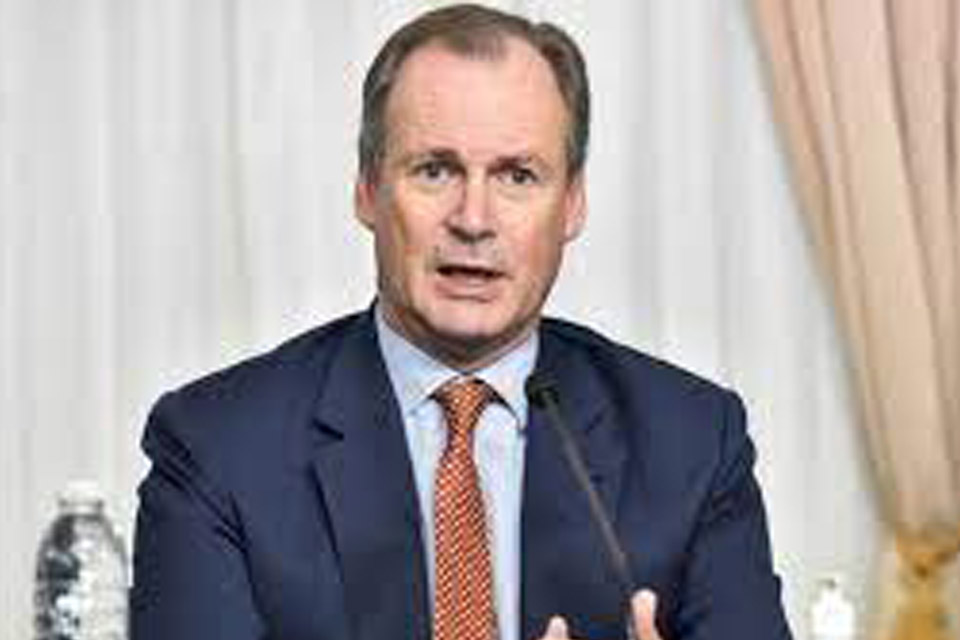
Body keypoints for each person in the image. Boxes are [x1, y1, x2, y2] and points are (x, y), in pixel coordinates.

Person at [130, 4, 793, 640]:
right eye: (435, 170)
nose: (474, 220)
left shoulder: (692, 442)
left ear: (572, 204)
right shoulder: (218, 447)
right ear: (367, 190)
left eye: (518, 176)